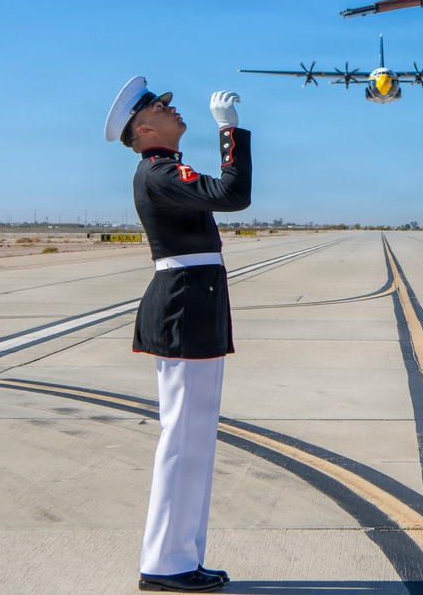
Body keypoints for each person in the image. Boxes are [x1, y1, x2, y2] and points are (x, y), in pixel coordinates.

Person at [105, 77, 252, 593]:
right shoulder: (159, 171)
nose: (174, 108)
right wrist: (230, 132)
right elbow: (232, 195)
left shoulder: (164, 169)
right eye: (162, 108)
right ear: (144, 129)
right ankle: (165, 563)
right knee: (183, 439)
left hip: (196, 302)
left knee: (195, 441)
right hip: (185, 306)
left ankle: (181, 556)